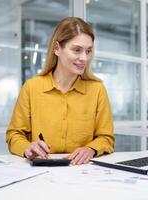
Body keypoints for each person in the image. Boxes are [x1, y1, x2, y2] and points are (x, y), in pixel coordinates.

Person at [6, 17, 114, 165]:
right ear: (57, 49)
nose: (84, 58)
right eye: (77, 50)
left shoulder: (97, 89)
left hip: (83, 171)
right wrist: (27, 148)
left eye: (88, 51)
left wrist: (91, 149)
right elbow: (14, 135)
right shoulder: (32, 87)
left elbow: (106, 138)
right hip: (42, 170)